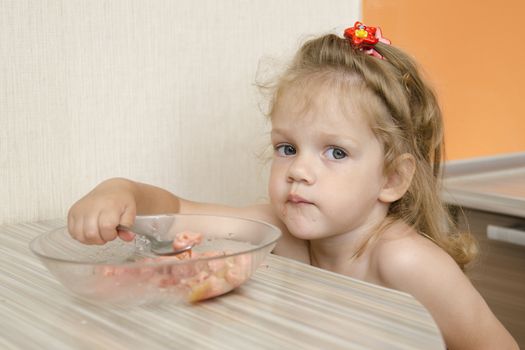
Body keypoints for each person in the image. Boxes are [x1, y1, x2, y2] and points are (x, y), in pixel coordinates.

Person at [68, 22, 518, 349]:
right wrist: (121, 190)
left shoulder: (404, 260)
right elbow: (174, 214)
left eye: (335, 152)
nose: (298, 171)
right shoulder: (273, 229)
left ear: (392, 178)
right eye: (287, 148)